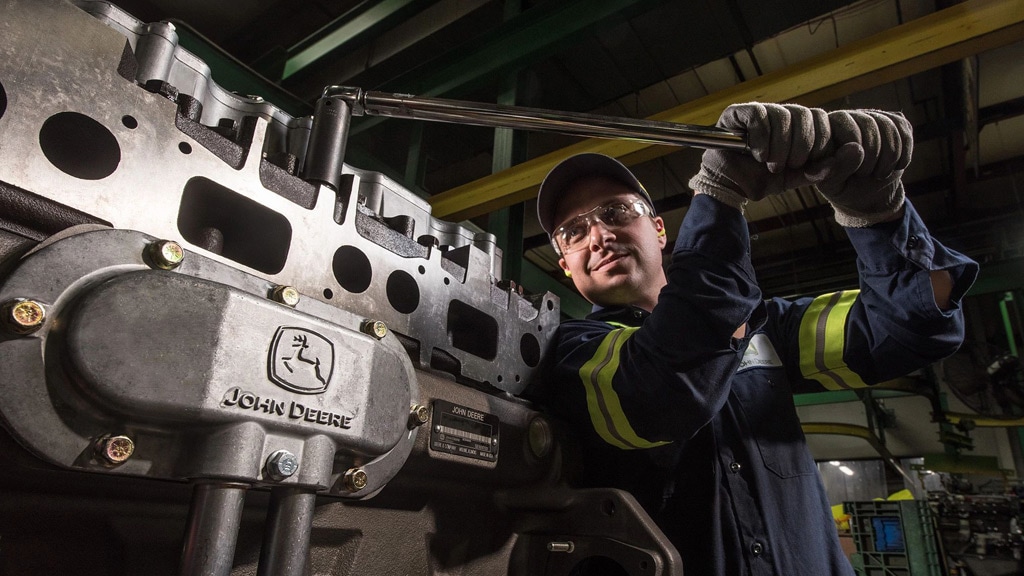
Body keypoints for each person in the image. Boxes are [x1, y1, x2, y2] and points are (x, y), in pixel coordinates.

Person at [529, 103, 979, 576]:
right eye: (573, 233)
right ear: (565, 266)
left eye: (616, 211)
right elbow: (666, 387)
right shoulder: (569, 354)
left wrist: (881, 213)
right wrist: (719, 193)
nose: (598, 235)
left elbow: (912, 326)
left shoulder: (763, 329)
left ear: (658, 230)